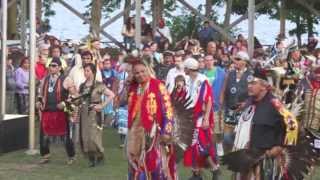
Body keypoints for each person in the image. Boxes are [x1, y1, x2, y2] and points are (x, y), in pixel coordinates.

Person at [231, 68, 298, 179]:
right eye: (249, 83)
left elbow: (292, 124)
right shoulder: (250, 102)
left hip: (265, 158)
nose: (249, 86)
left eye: (253, 83)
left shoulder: (274, 103)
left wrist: (280, 146)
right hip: (246, 156)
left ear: (263, 86)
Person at [126, 61, 176, 179]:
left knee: (156, 167)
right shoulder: (133, 88)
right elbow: (123, 103)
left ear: (148, 70)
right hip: (135, 133)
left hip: (153, 133)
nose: (140, 74)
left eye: (142, 71)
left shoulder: (158, 85)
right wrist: (126, 84)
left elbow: (168, 110)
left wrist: (167, 132)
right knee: (135, 165)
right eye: (136, 73)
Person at [182, 57, 219, 180]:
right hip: (190, 116)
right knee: (192, 145)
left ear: (189, 68)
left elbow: (208, 100)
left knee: (201, 145)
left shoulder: (203, 80)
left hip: (200, 116)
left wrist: (206, 118)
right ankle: (196, 173)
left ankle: (214, 168)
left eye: (185, 68)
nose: (184, 69)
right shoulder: (187, 79)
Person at [36, 58, 76, 165]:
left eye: (54, 66)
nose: (51, 68)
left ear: (59, 67)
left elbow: (74, 95)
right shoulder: (45, 79)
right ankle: (45, 155)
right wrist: (39, 102)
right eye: (50, 65)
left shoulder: (66, 79)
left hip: (61, 112)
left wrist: (65, 103)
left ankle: (71, 156)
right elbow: (40, 94)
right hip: (47, 111)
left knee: (65, 136)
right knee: (44, 135)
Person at [77, 63, 115, 167]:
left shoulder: (99, 85)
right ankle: (92, 158)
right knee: (85, 136)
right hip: (84, 113)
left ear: (93, 72)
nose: (86, 73)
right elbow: (79, 99)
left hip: (94, 113)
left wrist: (102, 105)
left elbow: (111, 95)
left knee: (93, 136)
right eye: (84, 71)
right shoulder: (82, 86)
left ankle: (99, 155)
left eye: (88, 71)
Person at [221, 51, 253, 151]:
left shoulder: (251, 75)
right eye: (235, 59)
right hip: (230, 110)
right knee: (226, 137)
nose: (235, 61)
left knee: (240, 136)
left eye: (238, 59)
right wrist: (221, 102)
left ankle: (237, 154)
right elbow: (223, 89)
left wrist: (246, 103)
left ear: (245, 62)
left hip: (244, 111)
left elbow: (253, 94)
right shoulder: (230, 73)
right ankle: (231, 151)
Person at [203, 54, 226, 157]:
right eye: (206, 60)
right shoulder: (202, 73)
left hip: (217, 103)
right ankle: (209, 147)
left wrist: (222, 96)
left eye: (210, 60)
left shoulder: (221, 72)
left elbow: (225, 85)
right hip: (205, 105)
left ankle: (219, 145)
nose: (208, 62)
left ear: (214, 61)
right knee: (208, 127)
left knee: (218, 127)